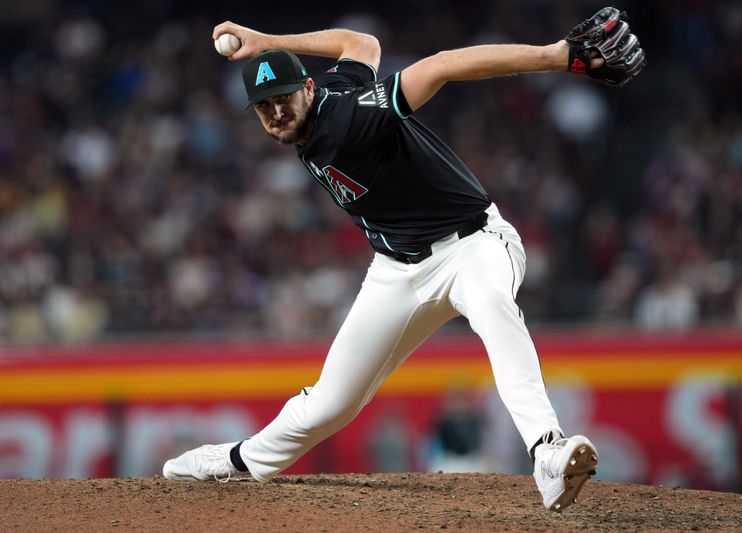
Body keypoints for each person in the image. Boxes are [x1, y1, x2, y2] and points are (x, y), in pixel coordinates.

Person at [163, 8, 644, 512]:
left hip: (471, 246)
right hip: (395, 269)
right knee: (328, 406)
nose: (276, 113)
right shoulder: (321, 104)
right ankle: (235, 461)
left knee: (492, 306)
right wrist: (267, 41)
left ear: (307, 89)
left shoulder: (351, 116)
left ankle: (547, 449)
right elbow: (361, 43)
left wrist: (555, 57)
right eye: (264, 107)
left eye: (282, 98)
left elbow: (439, 66)